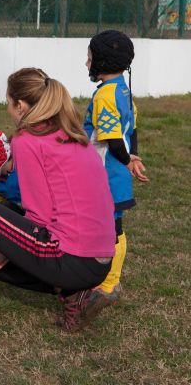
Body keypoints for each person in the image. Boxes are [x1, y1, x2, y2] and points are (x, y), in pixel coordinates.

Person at [0, 68, 116, 333]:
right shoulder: (73, 134)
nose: (8, 109)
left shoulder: (29, 140)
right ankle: (75, 296)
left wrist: (6, 247)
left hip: (72, 257)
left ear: (20, 105)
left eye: (8, 102)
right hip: (99, 263)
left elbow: (39, 215)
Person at [83, 30, 149, 314]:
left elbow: (111, 137)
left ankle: (107, 284)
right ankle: (106, 280)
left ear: (101, 60)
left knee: (110, 232)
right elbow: (131, 129)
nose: (86, 63)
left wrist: (123, 161)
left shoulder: (106, 95)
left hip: (105, 176)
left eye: (89, 57)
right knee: (114, 229)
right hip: (113, 173)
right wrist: (133, 156)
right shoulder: (123, 88)